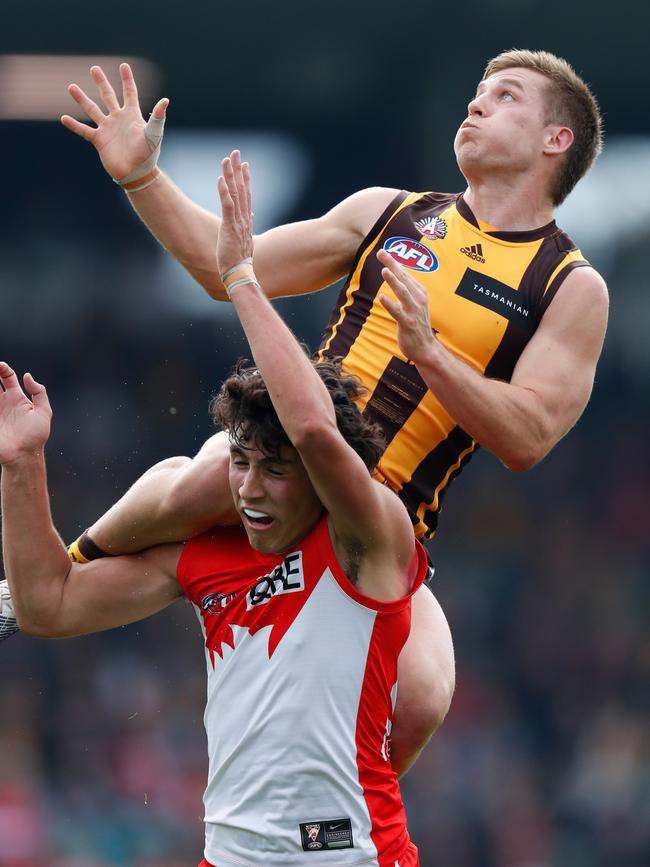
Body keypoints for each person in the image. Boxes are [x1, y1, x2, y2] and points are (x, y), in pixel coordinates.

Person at [0, 48, 608, 763]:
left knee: (424, 695)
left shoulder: (569, 285)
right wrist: (140, 175)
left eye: (505, 96)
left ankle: (345, 827)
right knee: (205, 480)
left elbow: (528, 436)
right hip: (288, 449)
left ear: (555, 139)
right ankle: (32, 584)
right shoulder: (389, 213)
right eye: (476, 91)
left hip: (388, 513)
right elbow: (228, 267)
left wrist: (431, 353)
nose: (475, 104)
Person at [1, 156, 450, 866]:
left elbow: (313, 430)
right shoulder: (205, 554)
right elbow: (47, 604)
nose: (248, 488)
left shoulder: (370, 540)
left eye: (275, 471)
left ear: (321, 476)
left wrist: (241, 278)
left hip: (357, 856)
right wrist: (21, 466)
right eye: (240, 462)